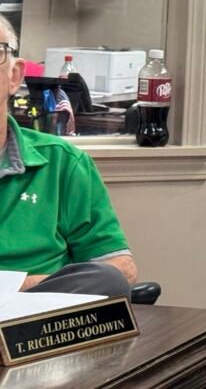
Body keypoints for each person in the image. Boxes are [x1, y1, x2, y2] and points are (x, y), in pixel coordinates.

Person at [0, 15, 136, 297]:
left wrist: (21, 289)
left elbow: (120, 268)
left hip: (43, 324)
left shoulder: (63, 163)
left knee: (106, 278)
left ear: (15, 76)